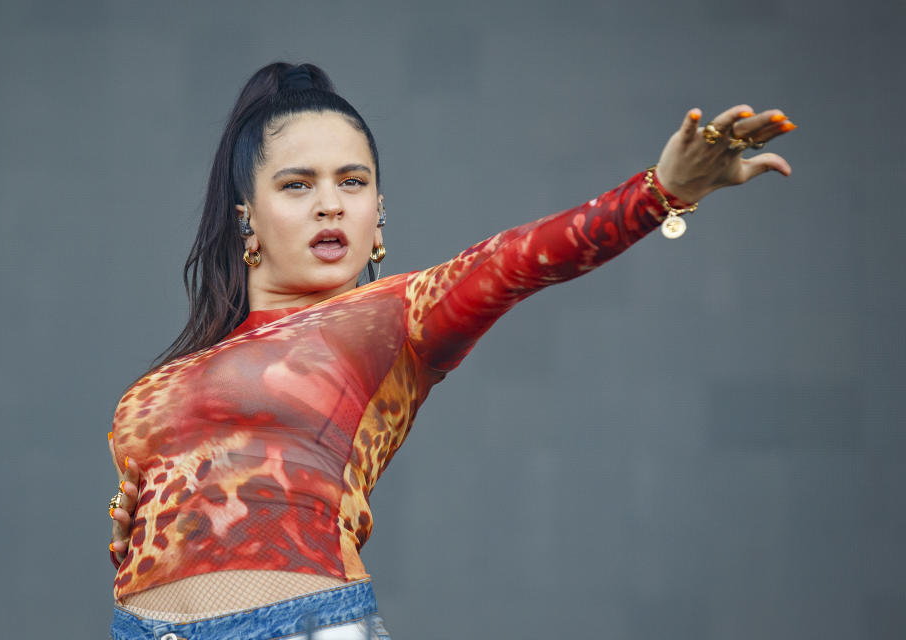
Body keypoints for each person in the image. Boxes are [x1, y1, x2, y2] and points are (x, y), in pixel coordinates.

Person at [105, 61, 794, 640]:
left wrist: (660, 192)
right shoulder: (174, 373)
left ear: (379, 216)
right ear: (246, 218)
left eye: (352, 182)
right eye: (296, 184)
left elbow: (515, 261)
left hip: (296, 624)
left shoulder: (391, 316)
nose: (330, 204)